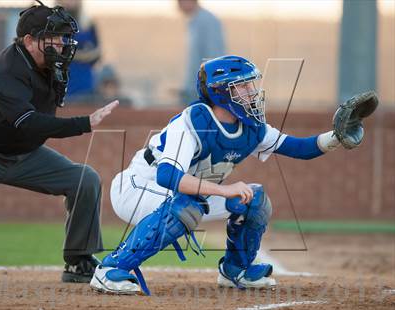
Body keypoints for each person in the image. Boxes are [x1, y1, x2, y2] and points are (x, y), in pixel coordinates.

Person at [89, 55, 368, 295]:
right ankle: (111, 268)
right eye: (243, 86)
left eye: (251, 84)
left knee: (254, 199)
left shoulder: (250, 126)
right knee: (188, 206)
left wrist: (336, 138)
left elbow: (299, 148)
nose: (252, 92)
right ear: (221, 92)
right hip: (136, 188)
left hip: (184, 194)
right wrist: (224, 190)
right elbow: (168, 177)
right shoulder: (194, 121)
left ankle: (236, 270)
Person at [0, 1, 118, 283]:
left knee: (84, 179)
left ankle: (78, 261)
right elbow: (28, 121)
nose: (62, 44)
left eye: (63, 37)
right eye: (52, 38)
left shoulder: (50, 65)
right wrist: (83, 124)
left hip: (25, 153)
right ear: (29, 41)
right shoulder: (5, 71)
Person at [177, 0, 226, 104]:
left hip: (205, 89)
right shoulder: (195, 21)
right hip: (195, 88)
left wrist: (210, 87)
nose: (178, 5)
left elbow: (214, 56)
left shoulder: (208, 21)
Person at [56, 0, 101, 102]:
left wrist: (71, 53)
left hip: (85, 84)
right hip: (62, 85)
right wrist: (83, 54)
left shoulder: (88, 24)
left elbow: (97, 52)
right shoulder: (55, 24)